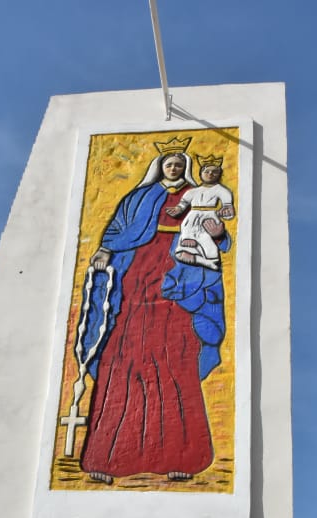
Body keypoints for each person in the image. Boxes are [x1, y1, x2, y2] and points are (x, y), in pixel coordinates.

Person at [77, 141, 232, 484]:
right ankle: (109, 455)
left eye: (179, 163)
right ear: (160, 166)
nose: (174, 168)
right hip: (137, 276)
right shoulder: (138, 196)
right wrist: (104, 249)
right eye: (169, 163)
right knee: (124, 353)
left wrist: (219, 234)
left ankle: (182, 456)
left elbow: (221, 240)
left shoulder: (200, 195)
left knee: (177, 353)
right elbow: (118, 228)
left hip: (182, 275)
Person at [167, 156, 236, 269]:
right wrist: (177, 209)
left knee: (210, 248)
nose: (210, 174)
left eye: (214, 172)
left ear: (219, 174)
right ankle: (200, 256)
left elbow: (228, 209)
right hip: (192, 217)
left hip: (209, 217)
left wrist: (224, 213)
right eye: (207, 171)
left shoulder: (221, 190)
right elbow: (183, 204)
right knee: (181, 249)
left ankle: (209, 260)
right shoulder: (193, 191)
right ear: (200, 173)